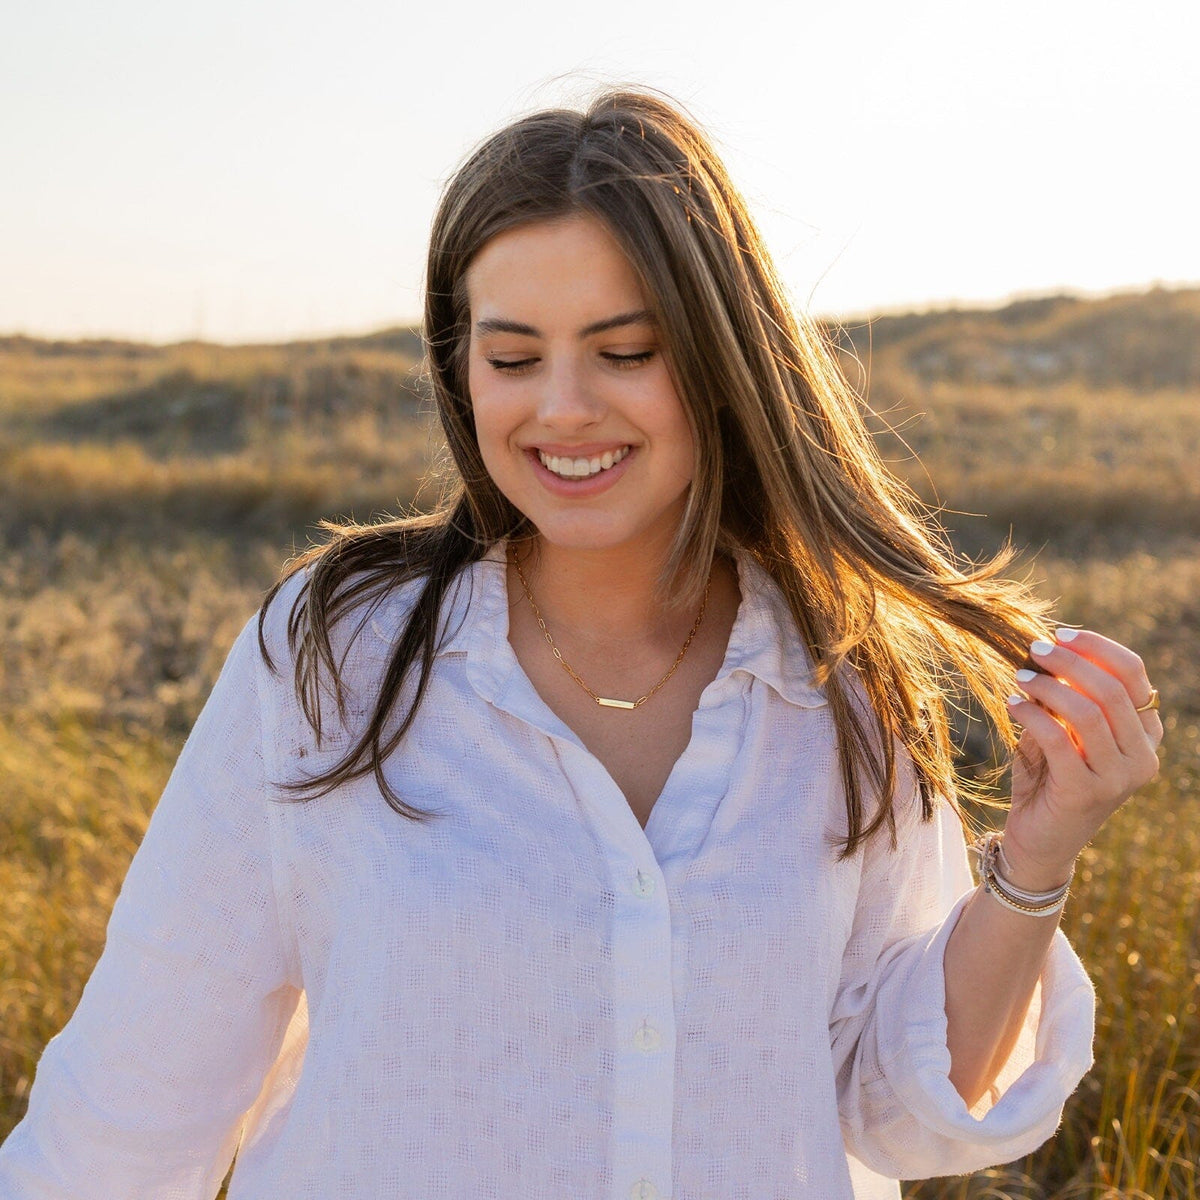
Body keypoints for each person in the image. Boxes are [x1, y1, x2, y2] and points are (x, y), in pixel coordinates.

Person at [0, 87, 1163, 1200]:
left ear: (721, 363)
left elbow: (899, 1106)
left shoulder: (841, 683)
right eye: (512, 358)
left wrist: (1037, 857)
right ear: (461, 368)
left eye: (625, 351)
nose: (561, 407)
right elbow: (128, 1108)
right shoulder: (332, 657)